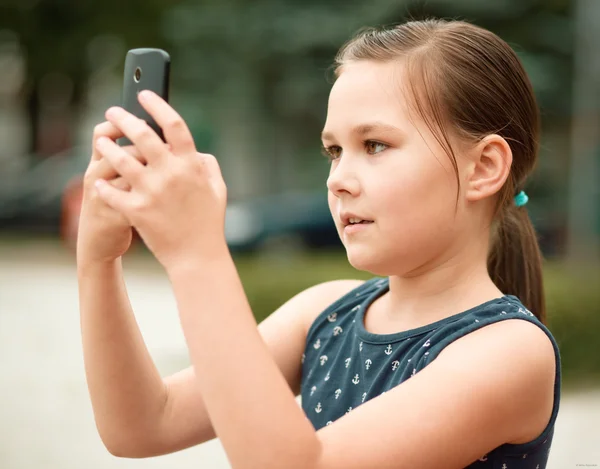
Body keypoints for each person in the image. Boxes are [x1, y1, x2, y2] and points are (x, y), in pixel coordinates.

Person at [77, 18, 561, 469]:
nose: (338, 180)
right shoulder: (324, 312)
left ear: (484, 168)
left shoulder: (512, 352)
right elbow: (142, 425)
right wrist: (98, 258)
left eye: (374, 145)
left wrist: (196, 254)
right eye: (334, 150)